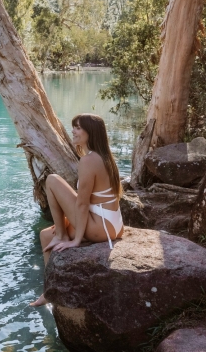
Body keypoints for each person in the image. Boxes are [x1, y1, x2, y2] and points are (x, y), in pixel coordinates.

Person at [30, 113, 124, 307]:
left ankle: (62, 236)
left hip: (101, 227)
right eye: (74, 126)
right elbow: (91, 199)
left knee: (52, 180)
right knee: (46, 235)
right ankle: (49, 290)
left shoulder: (89, 161)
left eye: (78, 128)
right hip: (112, 224)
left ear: (91, 132)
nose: (73, 131)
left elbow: (82, 204)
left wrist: (77, 240)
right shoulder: (104, 157)